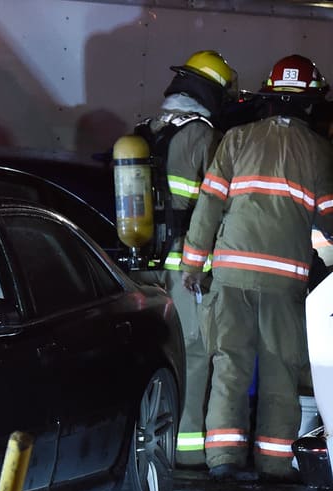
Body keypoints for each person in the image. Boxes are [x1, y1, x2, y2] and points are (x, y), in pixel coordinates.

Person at [181, 54, 333, 482]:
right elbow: (329, 219)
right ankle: (274, 464)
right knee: (281, 370)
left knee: (229, 365)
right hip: (285, 282)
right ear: (310, 103)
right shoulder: (321, 152)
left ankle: (223, 462)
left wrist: (194, 264)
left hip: (230, 277)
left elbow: (208, 206)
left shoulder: (235, 140)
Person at [134, 50, 238, 468]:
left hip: (140, 264)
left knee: (147, 353)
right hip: (184, 268)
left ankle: (146, 444)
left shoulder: (145, 129)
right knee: (193, 353)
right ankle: (187, 451)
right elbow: (217, 204)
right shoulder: (203, 136)